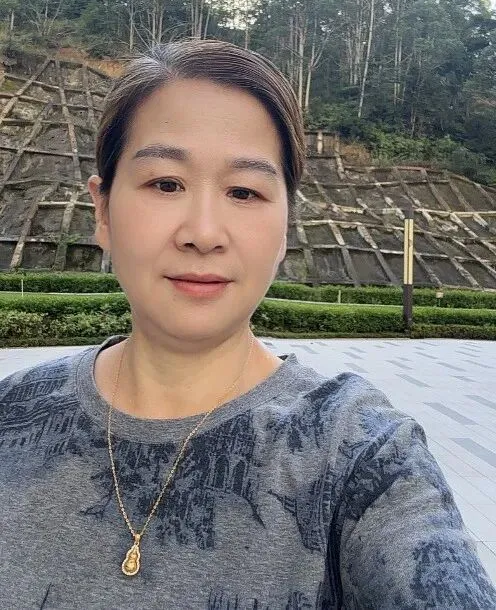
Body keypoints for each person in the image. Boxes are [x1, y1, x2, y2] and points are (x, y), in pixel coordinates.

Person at [0, 39, 495, 610]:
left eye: (244, 191)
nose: (203, 233)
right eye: (165, 184)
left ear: (286, 229)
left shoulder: (360, 456)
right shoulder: (13, 418)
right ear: (103, 211)